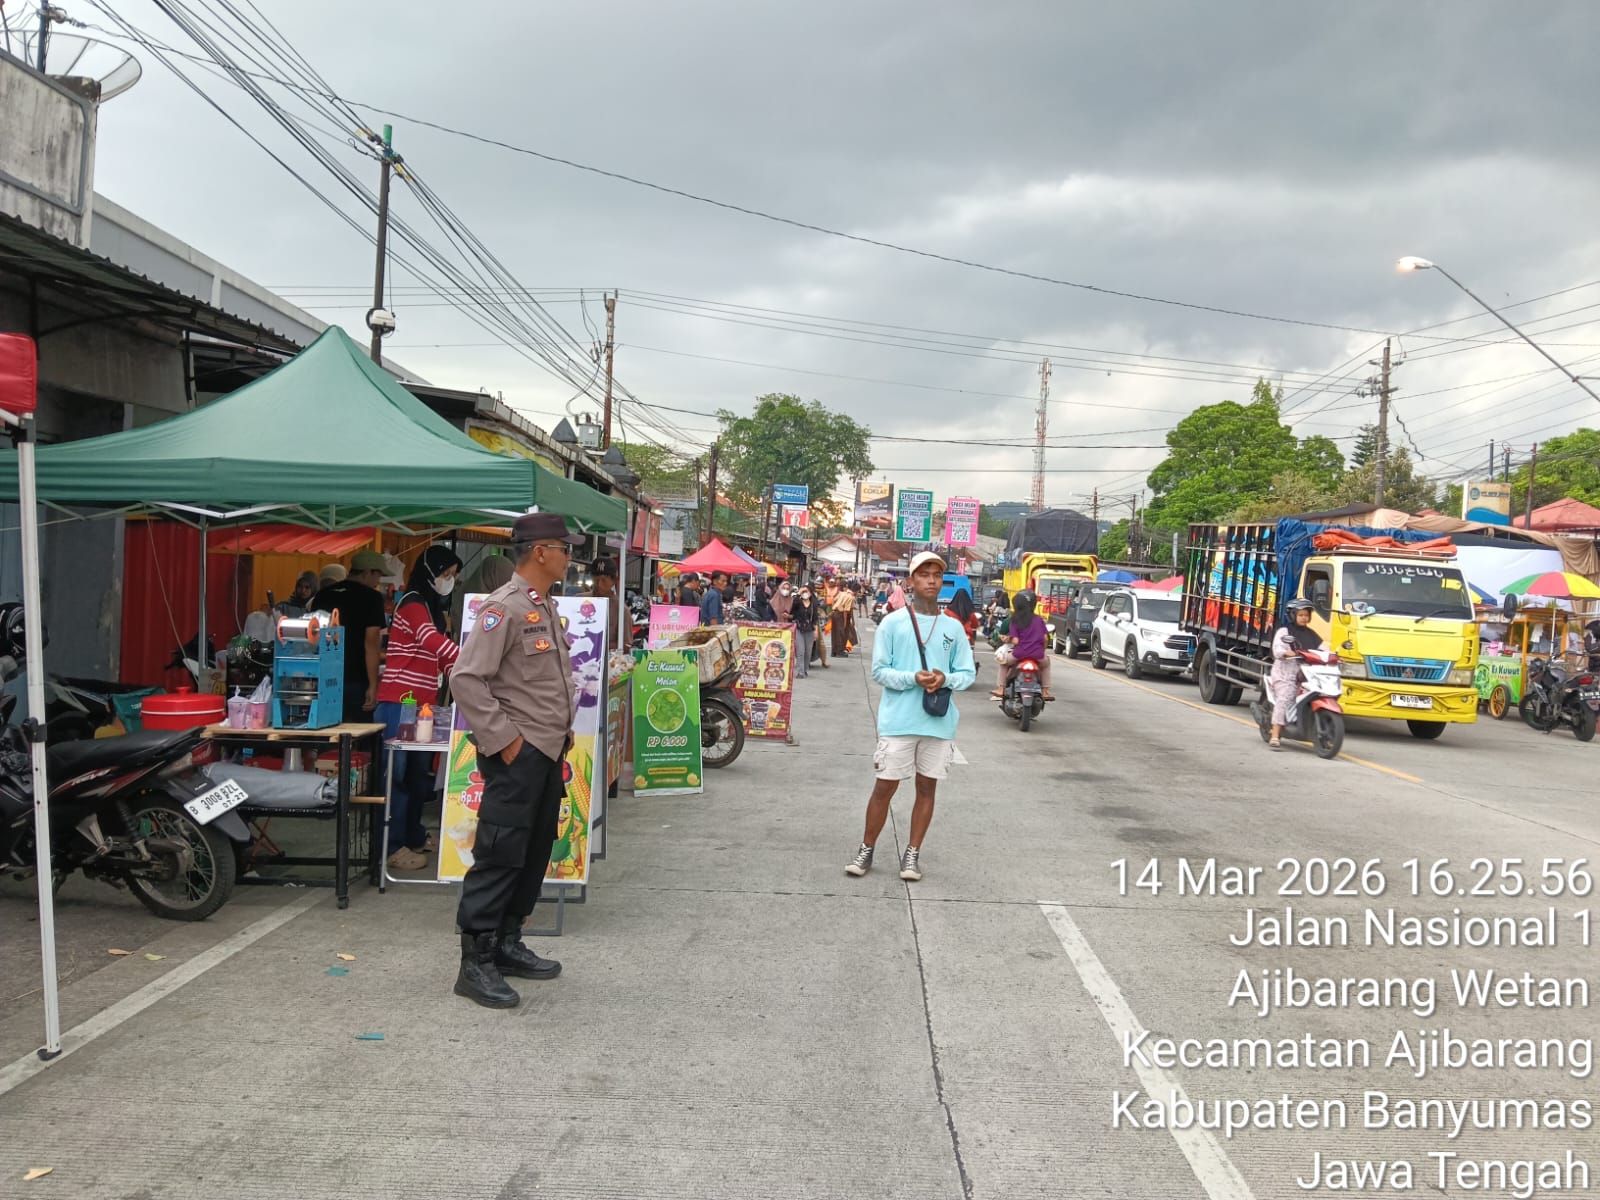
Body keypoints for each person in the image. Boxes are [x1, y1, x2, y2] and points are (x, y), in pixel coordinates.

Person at [448, 513, 583, 1008]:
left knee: (534, 850)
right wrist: (505, 740)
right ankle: (476, 961)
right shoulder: (502, 608)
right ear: (541, 552)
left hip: (547, 751)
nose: (570, 557)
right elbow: (466, 678)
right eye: (564, 549)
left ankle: (507, 940)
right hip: (519, 754)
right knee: (501, 852)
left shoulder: (543, 605)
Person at [844, 551, 975, 883]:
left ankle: (912, 854)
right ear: (911, 581)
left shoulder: (953, 627)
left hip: (938, 723)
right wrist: (913, 678)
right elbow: (880, 671)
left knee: (927, 788)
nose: (931, 581)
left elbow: (967, 673)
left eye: (936, 575)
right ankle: (866, 848)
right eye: (924, 574)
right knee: (884, 787)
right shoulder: (893, 623)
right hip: (899, 722)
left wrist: (945, 679)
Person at [375, 545, 463, 870]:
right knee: (395, 779)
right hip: (400, 701)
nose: (448, 581)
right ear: (430, 571)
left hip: (423, 705)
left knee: (416, 779)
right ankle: (391, 846)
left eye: (452, 576)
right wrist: (469, 657)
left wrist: (460, 671)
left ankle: (412, 835)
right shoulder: (412, 602)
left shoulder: (430, 607)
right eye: (445, 574)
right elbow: (430, 640)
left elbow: (439, 656)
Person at [310, 549, 388, 723]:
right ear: (367, 572)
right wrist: (373, 685)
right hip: (357, 680)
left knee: (327, 729)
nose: (378, 581)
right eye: (378, 576)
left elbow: (312, 638)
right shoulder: (372, 598)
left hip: (324, 676)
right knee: (360, 733)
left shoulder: (323, 595)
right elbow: (371, 644)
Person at [1267, 598, 1322, 750]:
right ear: (1293, 615)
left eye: (1306, 615)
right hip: (1285, 674)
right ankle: (1275, 734)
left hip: (1306, 674)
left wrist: (1335, 656)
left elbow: (1323, 649)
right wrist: (1286, 653)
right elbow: (1278, 649)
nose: (1304, 618)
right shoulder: (1284, 632)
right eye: (1301, 615)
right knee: (1284, 699)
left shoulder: (1312, 634)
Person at [992, 589, 1055, 702]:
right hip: (1038, 654)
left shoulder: (1014, 620)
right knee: (1046, 665)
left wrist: (1009, 639)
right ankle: (1045, 691)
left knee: (1003, 662)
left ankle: (1001, 689)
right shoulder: (1039, 619)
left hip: (1019, 654)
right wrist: (1042, 650)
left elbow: (1016, 641)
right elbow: (1045, 638)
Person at [586, 556, 631, 652]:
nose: (599, 584)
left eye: (604, 580)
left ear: (614, 581)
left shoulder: (621, 610)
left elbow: (627, 644)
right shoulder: (580, 600)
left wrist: (598, 645)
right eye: (596, 580)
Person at [791, 583, 820, 677]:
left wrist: (816, 630)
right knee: (800, 651)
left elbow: (815, 618)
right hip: (799, 629)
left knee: (808, 652)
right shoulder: (798, 603)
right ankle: (800, 672)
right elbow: (792, 607)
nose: (805, 593)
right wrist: (799, 593)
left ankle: (805, 669)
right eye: (803, 591)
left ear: (811, 593)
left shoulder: (813, 604)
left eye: (806, 591)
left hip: (810, 630)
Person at [830, 579, 856, 658]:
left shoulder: (840, 594)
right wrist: (845, 622)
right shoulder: (850, 597)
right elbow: (846, 611)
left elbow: (833, 601)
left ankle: (834, 651)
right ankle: (840, 651)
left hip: (835, 613)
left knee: (835, 633)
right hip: (841, 615)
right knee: (842, 633)